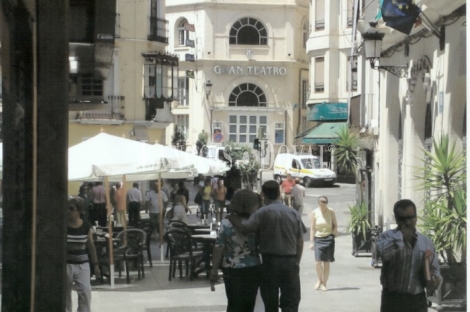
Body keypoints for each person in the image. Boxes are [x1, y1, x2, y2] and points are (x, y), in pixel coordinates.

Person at [228, 180, 306, 312]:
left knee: (270, 301)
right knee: (291, 301)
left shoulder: (262, 213)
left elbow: (245, 228)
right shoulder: (293, 213)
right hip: (290, 261)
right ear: (279, 194)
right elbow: (300, 240)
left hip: (270, 262)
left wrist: (232, 217)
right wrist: (296, 262)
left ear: (263, 194)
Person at [377, 199, 441, 312]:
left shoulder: (426, 242)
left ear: (416, 217)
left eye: (410, 218)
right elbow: (383, 254)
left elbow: (435, 272)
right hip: (393, 300)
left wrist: (434, 281)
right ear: (396, 219)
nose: (407, 223)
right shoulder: (386, 237)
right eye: (402, 219)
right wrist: (400, 237)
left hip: (417, 300)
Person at [210, 189, 263, 312]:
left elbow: (219, 247)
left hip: (231, 268)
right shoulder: (257, 222)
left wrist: (214, 269)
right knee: (249, 304)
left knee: (233, 303)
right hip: (253, 268)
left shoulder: (226, 223)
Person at [66, 196, 100, 312]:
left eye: (71, 209)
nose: (68, 211)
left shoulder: (85, 226)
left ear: (79, 211)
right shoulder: (63, 226)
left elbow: (90, 246)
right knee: (65, 294)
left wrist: (95, 265)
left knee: (85, 292)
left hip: (82, 264)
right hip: (66, 264)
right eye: (67, 209)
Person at [309, 196, 338, 291]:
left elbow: (335, 225)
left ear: (326, 203)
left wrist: (332, 235)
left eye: (324, 204)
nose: (322, 206)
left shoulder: (331, 211)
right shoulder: (315, 212)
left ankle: (324, 283)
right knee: (318, 262)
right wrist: (311, 242)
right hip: (318, 238)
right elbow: (312, 228)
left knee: (326, 262)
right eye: (321, 204)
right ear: (318, 204)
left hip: (328, 238)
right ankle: (319, 280)